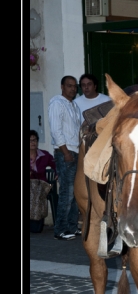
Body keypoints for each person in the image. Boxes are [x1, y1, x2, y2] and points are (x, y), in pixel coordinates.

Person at [48, 75, 83, 241]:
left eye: (74, 86)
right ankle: (60, 230)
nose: (73, 89)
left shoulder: (74, 105)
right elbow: (56, 130)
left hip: (75, 152)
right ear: (62, 87)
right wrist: (66, 152)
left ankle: (71, 227)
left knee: (75, 192)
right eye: (69, 86)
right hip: (65, 152)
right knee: (66, 193)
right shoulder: (57, 103)